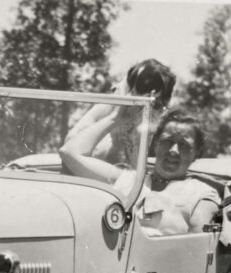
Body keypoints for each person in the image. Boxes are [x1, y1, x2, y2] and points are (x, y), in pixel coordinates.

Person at [59, 108, 220, 236]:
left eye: (184, 145)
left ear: (197, 153)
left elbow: (198, 254)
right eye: (167, 141)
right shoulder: (128, 180)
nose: (173, 150)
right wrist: (115, 118)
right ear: (155, 144)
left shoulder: (202, 194)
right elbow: (69, 153)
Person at [66, 58, 176, 167]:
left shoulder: (163, 119)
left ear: (160, 91)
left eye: (141, 86)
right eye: (132, 83)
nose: (133, 92)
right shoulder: (113, 104)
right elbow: (71, 139)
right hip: (95, 166)